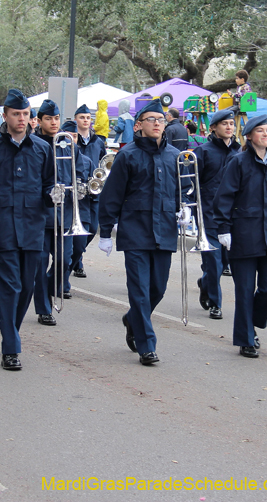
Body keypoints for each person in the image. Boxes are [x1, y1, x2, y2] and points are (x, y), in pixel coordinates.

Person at [0, 89, 53, 370]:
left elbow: (48, 185)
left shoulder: (42, 149)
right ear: (5, 116)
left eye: (26, 114)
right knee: (10, 286)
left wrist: (54, 194)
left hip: (33, 229)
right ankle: (10, 347)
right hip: (4, 229)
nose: (21, 119)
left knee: (27, 287)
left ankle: (10, 329)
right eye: (16, 114)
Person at [98, 99, 184, 366]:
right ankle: (147, 345)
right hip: (135, 230)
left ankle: (132, 318)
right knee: (139, 290)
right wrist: (104, 230)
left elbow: (181, 190)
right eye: (151, 119)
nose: (157, 123)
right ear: (139, 125)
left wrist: (185, 210)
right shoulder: (128, 155)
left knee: (158, 288)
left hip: (165, 229)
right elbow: (112, 195)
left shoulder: (174, 156)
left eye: (161, 119)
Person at [214, 114, 267, 358]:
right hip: (244, 234)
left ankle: (251, 322)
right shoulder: (238, 161)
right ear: (249, 136)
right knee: (244, 290)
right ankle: (245, 338)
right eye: (261, 131)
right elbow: (224, 196)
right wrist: (223, 228)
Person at [30, 101, 88, 326]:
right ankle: (44, 308)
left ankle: (45, 287)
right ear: (40, 121)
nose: (54, 123)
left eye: (56, 119)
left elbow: (79, 170)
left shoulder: (67, 144)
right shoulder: (33, 144)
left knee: (65, 260)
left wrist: (81, 184)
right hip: (41, 215)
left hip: (64, 216)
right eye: (48, 119)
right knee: (40, 262)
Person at [193, 108, 239, 320]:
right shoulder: (203, 152)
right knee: (214, 262)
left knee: (225, 262)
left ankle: (205, 282)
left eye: (231, 123)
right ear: (213, 128)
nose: (229, 127)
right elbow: (192, 183)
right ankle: (215, 303)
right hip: (208, 213)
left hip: (233, 216)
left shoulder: (240, 152)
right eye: (224, 124)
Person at [70, 104, 106, 279]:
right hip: (76, 190)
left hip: (94, 190)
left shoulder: (97, 141)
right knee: (78, 230)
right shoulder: (71, 137)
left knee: (91, 228)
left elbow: (104, 163)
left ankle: (77, 256)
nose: (85, 120)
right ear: (76, 119)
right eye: (82, 117)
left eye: (88, 118)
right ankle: (78, 262)